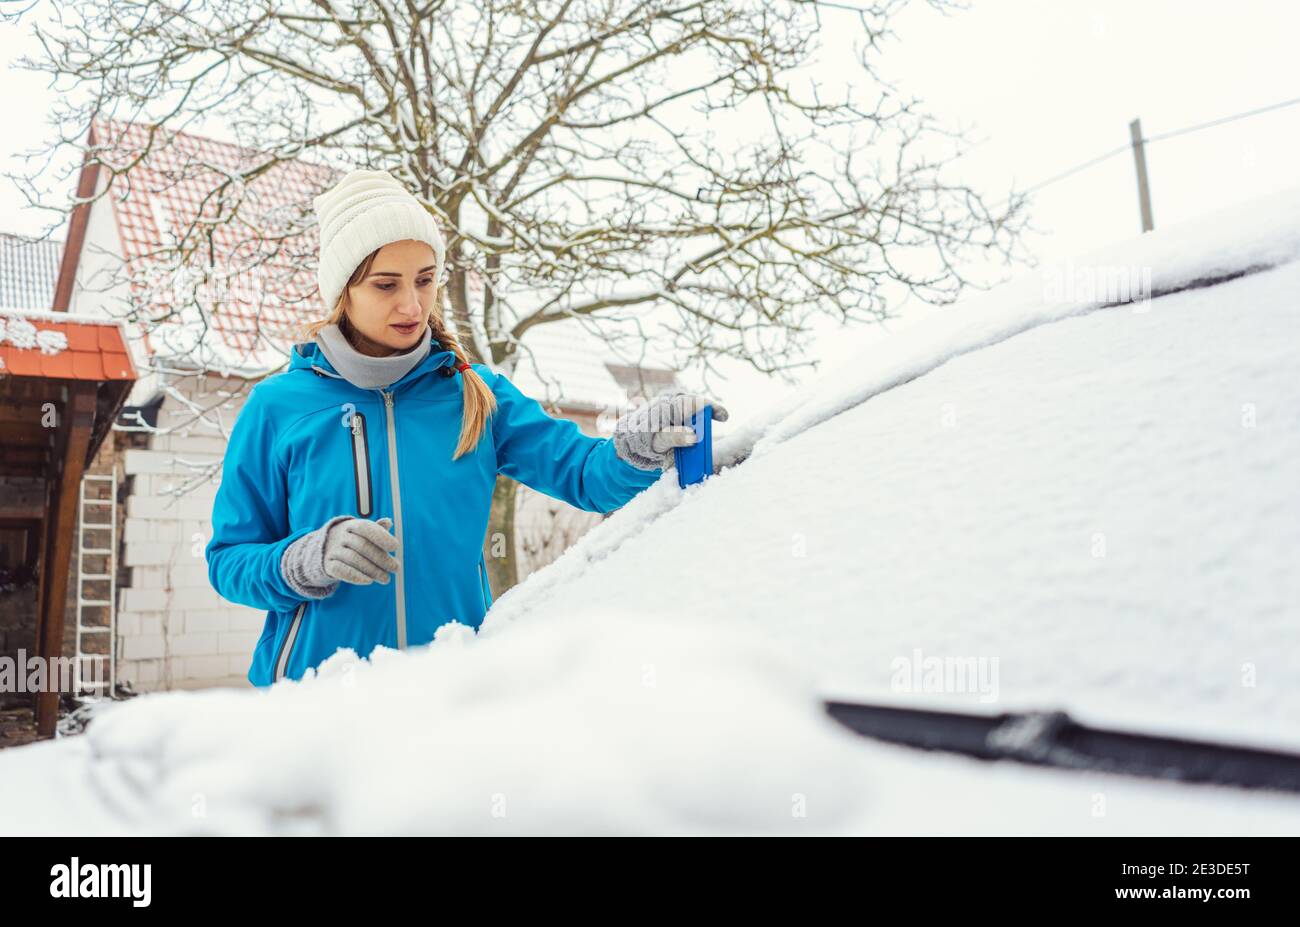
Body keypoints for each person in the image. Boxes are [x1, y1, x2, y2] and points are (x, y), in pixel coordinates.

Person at [205, 169, 728, 686]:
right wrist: (300, 561)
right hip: (316, 698)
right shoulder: (278, 407)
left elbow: (586, 475)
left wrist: (637, 445)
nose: (412, 304)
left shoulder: (477, 395)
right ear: (344, 291)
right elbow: (230, 560)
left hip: (452, 690)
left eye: (425, 279)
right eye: (386, 284)